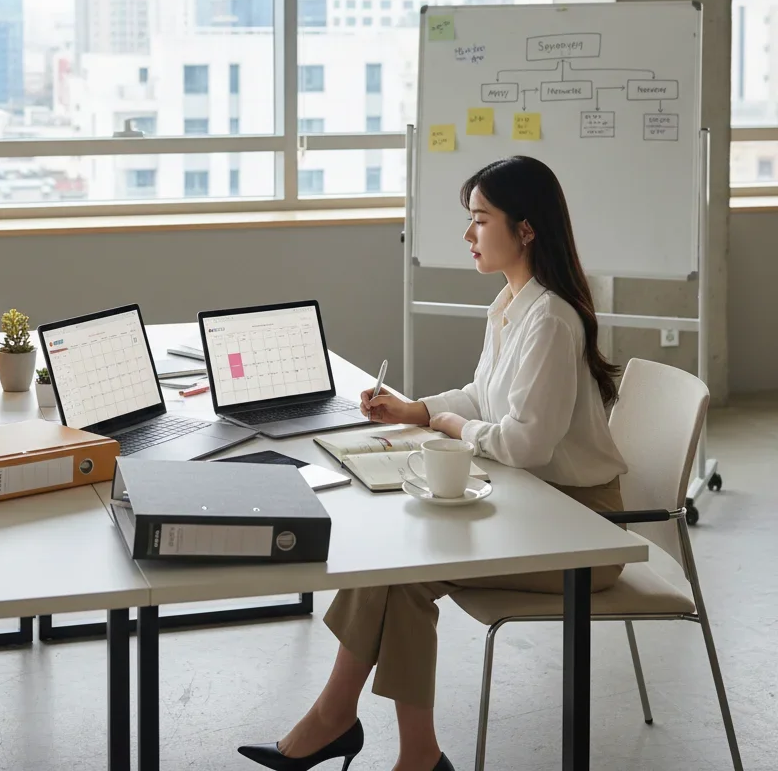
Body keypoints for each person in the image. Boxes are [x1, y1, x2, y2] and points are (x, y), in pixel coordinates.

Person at [237, 155, 629, 771]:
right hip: (534, 506)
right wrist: (416, 410)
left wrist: (450, 426)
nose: (468, 233)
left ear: (526, 229)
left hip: (584, 530)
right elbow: (482, 398)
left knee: (403, 574)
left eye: (481, 219)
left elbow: (526, 444)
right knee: (395, 565)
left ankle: (348, 727)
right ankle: (397, 746)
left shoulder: (550, 319)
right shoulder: (512, 303)